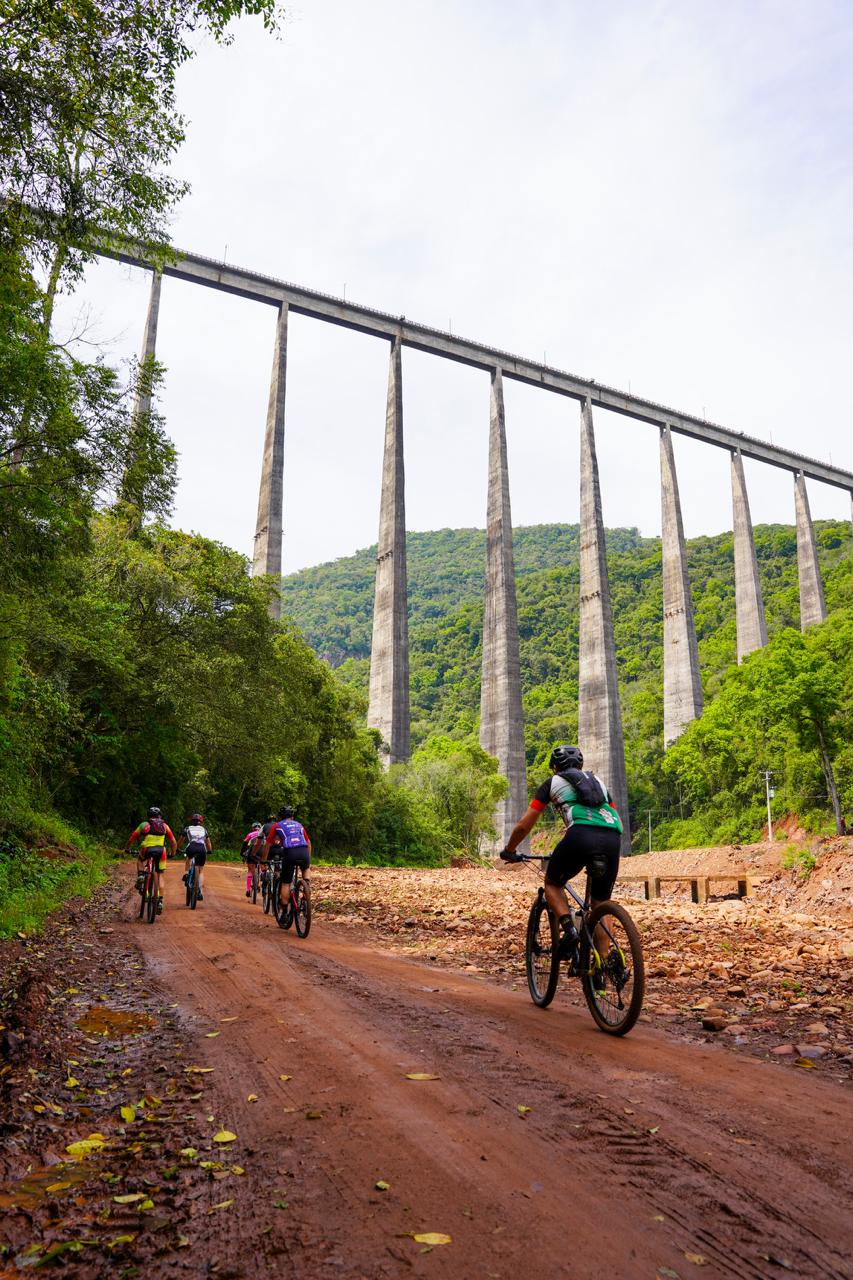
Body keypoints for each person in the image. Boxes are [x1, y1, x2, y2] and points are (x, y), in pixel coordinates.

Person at [500, 745, 622, 964]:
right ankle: (603, 965)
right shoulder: (600, 784)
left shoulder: (552, 783)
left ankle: (569, 930)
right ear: (580, 766)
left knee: (553, 883)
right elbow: (614, 815)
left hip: (580, 836)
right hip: (613, 838)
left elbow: (524, 826)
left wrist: (509, 850)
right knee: (601, 902)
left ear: (555, 767)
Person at [126, 807, 177, 914]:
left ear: (148, 816)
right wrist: (173, 853)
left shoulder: (144, 825)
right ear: (160, 816)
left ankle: (140, 875)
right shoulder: (164, 826)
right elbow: (173, 842)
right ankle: (159, 901)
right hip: (161, 851)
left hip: (147, 849)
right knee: (160, 875)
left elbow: (132, 837)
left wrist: (127, 848)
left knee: (140, 860)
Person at [261, 806, 311, 914]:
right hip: (304, 851)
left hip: (290, 852)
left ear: (280, 817)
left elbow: (268, 843)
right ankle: (306, 891)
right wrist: (308, 859)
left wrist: (263, 861)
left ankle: (284, 911)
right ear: (292, 816)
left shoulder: (277, 825)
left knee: (286, 883)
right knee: (306, 869)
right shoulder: (299, 824)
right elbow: (308, 842)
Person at [178, 814, 213, 902]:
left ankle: (186, 874)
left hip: (191, 847)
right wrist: (210, 850)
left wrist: (177, 848)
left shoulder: (187, 828)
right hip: (202, 849)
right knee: (200, 870)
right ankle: (199, 891)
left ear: (191, 821)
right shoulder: (204, 829)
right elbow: (208, 842)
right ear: (201, 822)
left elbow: (181, 839)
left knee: (189, 858)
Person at [241, 821, 263, 898]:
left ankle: (248, 889)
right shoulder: (263, 834)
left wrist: (242, 853)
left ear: (253, 828)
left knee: (250, 870)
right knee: (262, 865)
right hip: (262, 851)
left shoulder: (250, 834)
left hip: (252, 851)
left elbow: (244, 844)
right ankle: (260, 881)